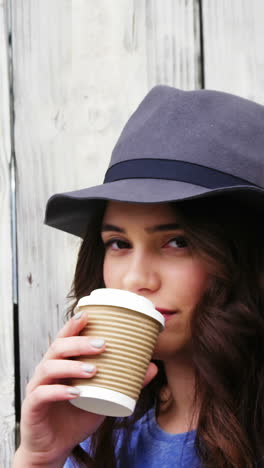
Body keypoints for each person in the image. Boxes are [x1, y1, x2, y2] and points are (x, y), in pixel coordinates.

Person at [13, 85, 264, 468]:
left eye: (177, 242)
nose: (135, 279)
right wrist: (39, 458)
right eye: (118, 243)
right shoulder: (91, 440)